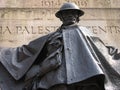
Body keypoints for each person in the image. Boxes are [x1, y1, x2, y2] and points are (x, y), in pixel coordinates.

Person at [0, 2, 120, 90]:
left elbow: (100, 49)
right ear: (61, 17)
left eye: (73, 13)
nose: (70, 16)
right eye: (66, 14)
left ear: (77, 16)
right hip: (57, 77)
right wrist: (6, 53)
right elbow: (31, 50)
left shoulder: (85, 32)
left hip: (86, 76)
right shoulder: (53, 36)